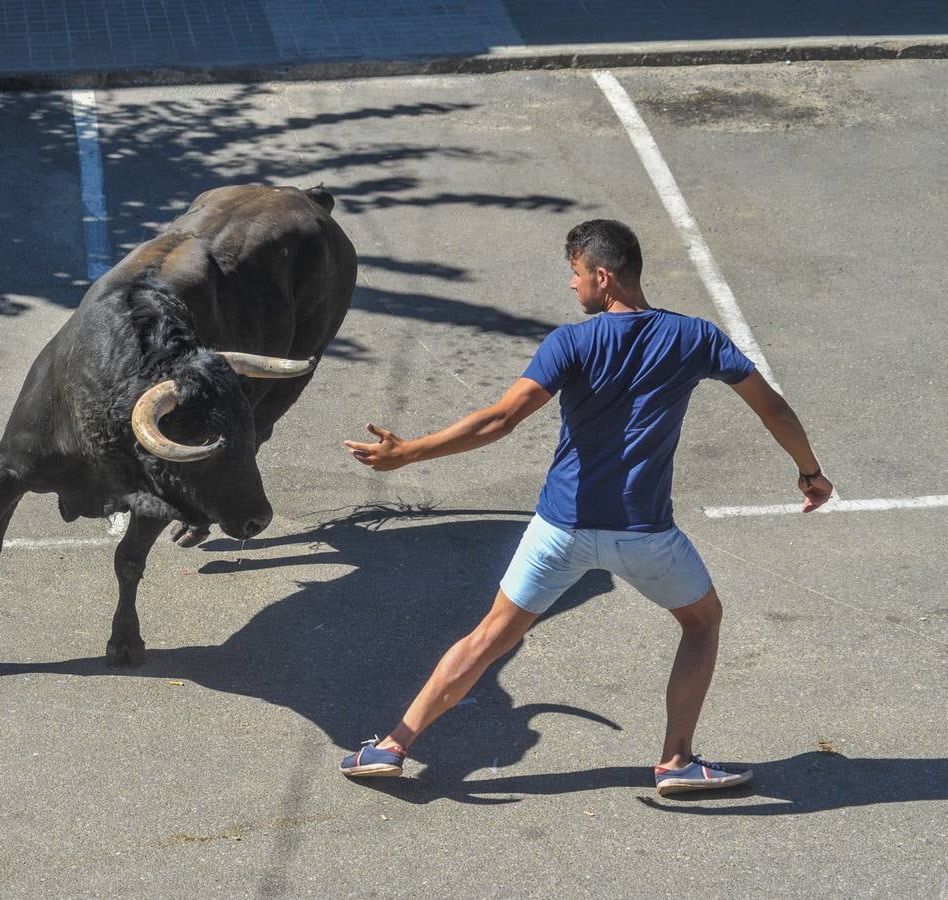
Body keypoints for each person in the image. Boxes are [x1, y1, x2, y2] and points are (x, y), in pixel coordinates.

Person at [339, 219, 833, 795]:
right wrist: (810, 473)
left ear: (602, 276)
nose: (573, 288)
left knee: (489, 637)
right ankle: (676, 762)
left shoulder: (571, 343)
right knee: (701, 621)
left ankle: (392, 746)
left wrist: (407, 454)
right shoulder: (697, 338)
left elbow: (499, 420)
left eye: (575, 275)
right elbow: (772, 409)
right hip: (645, 535)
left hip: (560, 529)